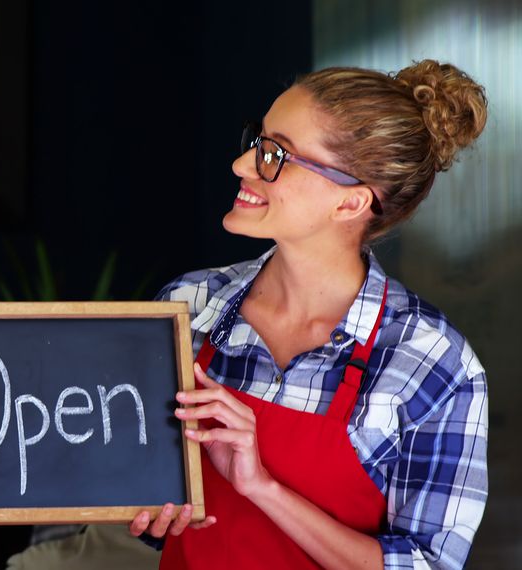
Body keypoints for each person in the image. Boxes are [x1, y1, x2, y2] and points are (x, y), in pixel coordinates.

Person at [127, 60, 489, 569]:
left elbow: (428, 564)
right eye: (257, 140)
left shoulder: (432, 363)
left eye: (276, 154)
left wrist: (261, 487)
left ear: (350, 203)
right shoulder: (188, 307)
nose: (242, 164)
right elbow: (141, 498)